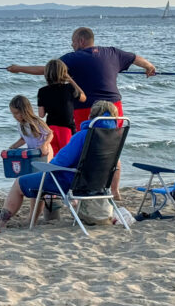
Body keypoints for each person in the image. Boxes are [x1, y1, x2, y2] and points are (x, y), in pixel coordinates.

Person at [8, 27, 156, 199]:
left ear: (80, 41)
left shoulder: (73, 58)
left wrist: (18, 68)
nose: (71, 45)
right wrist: (150, 67)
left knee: (85, 151)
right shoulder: (112, 52)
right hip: (114, 108)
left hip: (88, 109)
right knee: (110, 149)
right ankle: (114, 191)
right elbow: (135, 58)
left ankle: (81, 187)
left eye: (72, 41)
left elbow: (47, 70)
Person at [0, 100, 118, 229]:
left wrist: (49, 166)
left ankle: (0, 223)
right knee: (35, 181)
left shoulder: (83, 136)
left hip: (71, 182)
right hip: (98, 183)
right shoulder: (114, 139)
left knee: (19, 183)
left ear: (91, 116)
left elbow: (61, 161)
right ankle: (31, 218)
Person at [36, 59, 85, 155]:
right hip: (67, 128)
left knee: (54, 157)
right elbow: (83, 97)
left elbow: (41, 114)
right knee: (68, 155)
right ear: (64, 73)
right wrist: (70, 80)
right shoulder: (69, 88)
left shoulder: (42, 91)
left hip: (50, 129)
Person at [6, 95, 53, 160]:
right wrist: (12, 147)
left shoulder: (36, 122)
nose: (14, 116)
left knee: (44, 169)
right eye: (12, 113)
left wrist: (44, 145)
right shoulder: (20, 124)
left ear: (24, 111)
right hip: (34, 153)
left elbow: (50, 134)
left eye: (16, 113)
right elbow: (23, 139)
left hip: (45, 152)